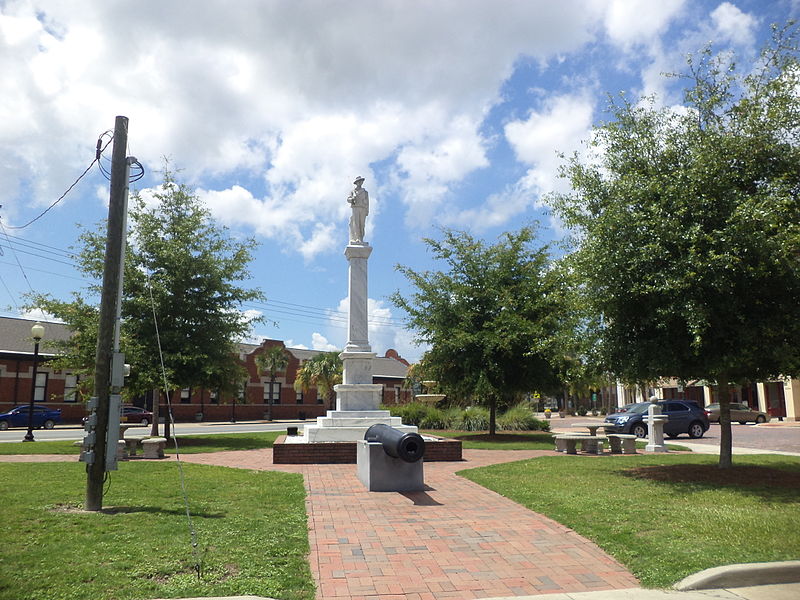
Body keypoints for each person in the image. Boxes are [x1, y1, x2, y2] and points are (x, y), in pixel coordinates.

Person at [347, 176, 369, 244]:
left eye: (361, 181)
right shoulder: (353, 191)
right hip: (355, 208)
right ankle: (357, 238)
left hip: (362, 208)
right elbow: (348, 199)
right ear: (356, 183)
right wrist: (352, 199)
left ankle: (361, 238)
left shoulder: (365, 192)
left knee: (362, 224)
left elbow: (367, 202)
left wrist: (367, 210)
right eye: (359, 181)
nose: (360, 183)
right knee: (356, 223)